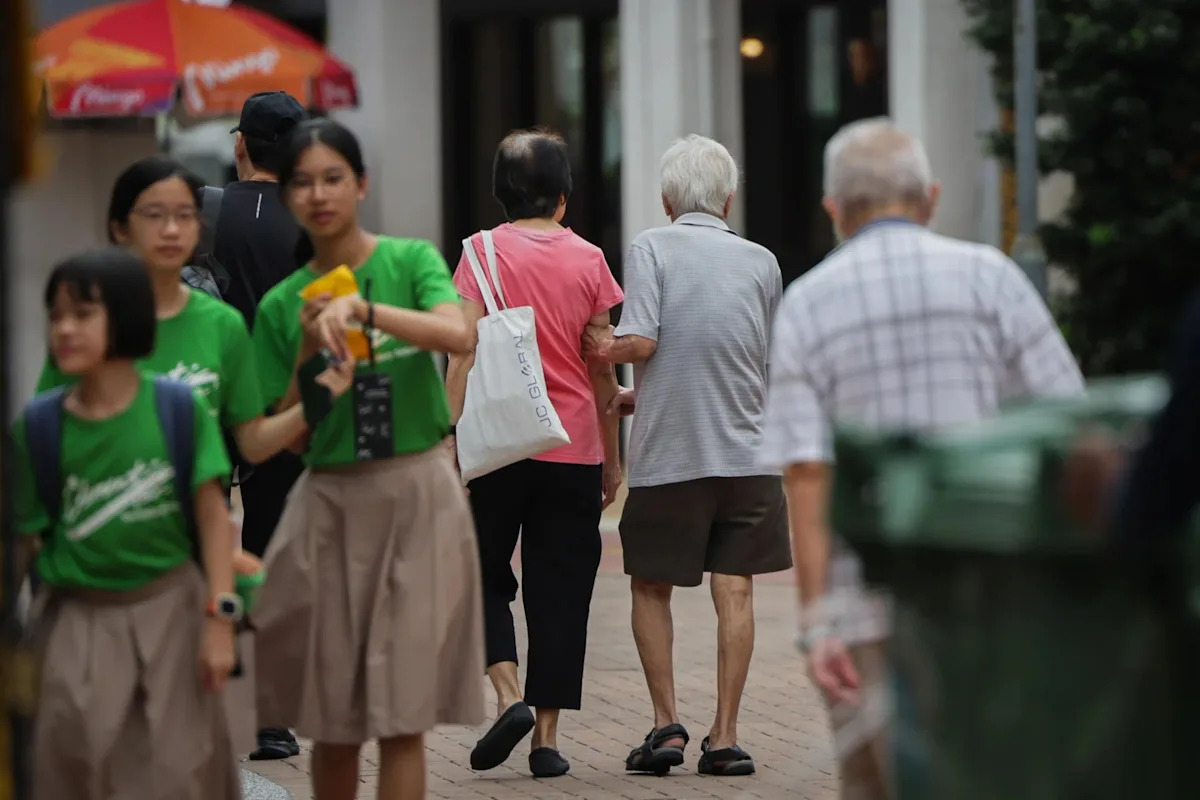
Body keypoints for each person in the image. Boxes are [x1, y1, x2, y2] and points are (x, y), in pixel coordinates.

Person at [757, 117, 1084, 799]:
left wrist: (818, 622)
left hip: (863, 604)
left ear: (834, 210)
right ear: (929, 198)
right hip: (993, 592)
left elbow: (808, 471)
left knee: (875, 782)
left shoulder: (807, 303)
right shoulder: (992, 279)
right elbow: (1066, 424)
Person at [249, 118, 485, 800]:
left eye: (333, 178)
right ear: (288, 195)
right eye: (303, 182)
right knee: (336, 720)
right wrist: (309, 346)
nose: (319, 194)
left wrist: (364, 310)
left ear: (361, 184)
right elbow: (285, 437)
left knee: (403, 719)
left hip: (416, 495)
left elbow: (457, 332)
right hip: (331, 503)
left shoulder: (408, 261)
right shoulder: (281, 305)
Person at [586, 134, 791, 777]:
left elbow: (643, 341)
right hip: (750, 456)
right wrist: (639, 396)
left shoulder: (651, 246)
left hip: (671, 456)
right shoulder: (762, 260)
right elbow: (754, 360)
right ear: (727, 200)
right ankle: (725, 738)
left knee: (651, 585)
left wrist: (595, 346)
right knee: (736, 589)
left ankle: (665, 726)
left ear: (667, 200)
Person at [14, 248, 241, 799]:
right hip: (75, 621)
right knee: (74, 767)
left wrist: (220, 623)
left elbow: (214, 520)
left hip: (173, 614)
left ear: (126, 317)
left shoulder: (177, 409)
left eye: (82, 314)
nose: (64, 329)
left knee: (180, 772)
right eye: (56, 315)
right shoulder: (39, 427)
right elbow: (22, 542)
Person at [444, 129, 624, 778]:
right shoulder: (590, 260)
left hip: (495, 445)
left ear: (500, 194)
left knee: (479, 571)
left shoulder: (480, 253)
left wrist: (449, 439)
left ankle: (507, 695)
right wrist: (613, 459)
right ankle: (546, 739)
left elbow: (461, 351)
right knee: (561, 589)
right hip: (571, 446)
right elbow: (602, 367)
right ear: (564, 196)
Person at [36, 156, 336, 467]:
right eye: (154, 215)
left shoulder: (223, 324)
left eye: (185, 215)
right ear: (120, 228)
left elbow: (252, 442)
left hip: (197, 494)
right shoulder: (86, 321)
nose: (171, 230)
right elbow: (43, 434)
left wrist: (318, 393)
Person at [215, 89, 310, 761]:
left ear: (241, 144)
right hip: (283, 409)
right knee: (272, 554)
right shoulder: (312, 221)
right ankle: (269, 718)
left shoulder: (202, 211)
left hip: (206, 402)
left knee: (199, 546)